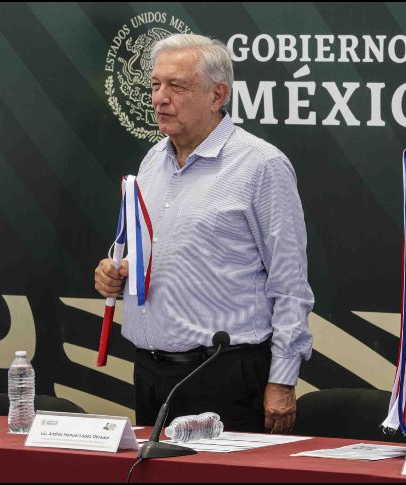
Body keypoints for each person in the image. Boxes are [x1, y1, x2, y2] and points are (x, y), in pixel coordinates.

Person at [93, 34, 314, 434]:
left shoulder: (261, 166)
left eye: (176, 86)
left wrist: (282, 380)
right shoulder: (152, 160)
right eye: (155, 85)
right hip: (149, 370)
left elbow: (291, 285)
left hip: (222, 374)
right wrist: (118, 272)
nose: (159, 98)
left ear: (218, 95)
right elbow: (166, 251)